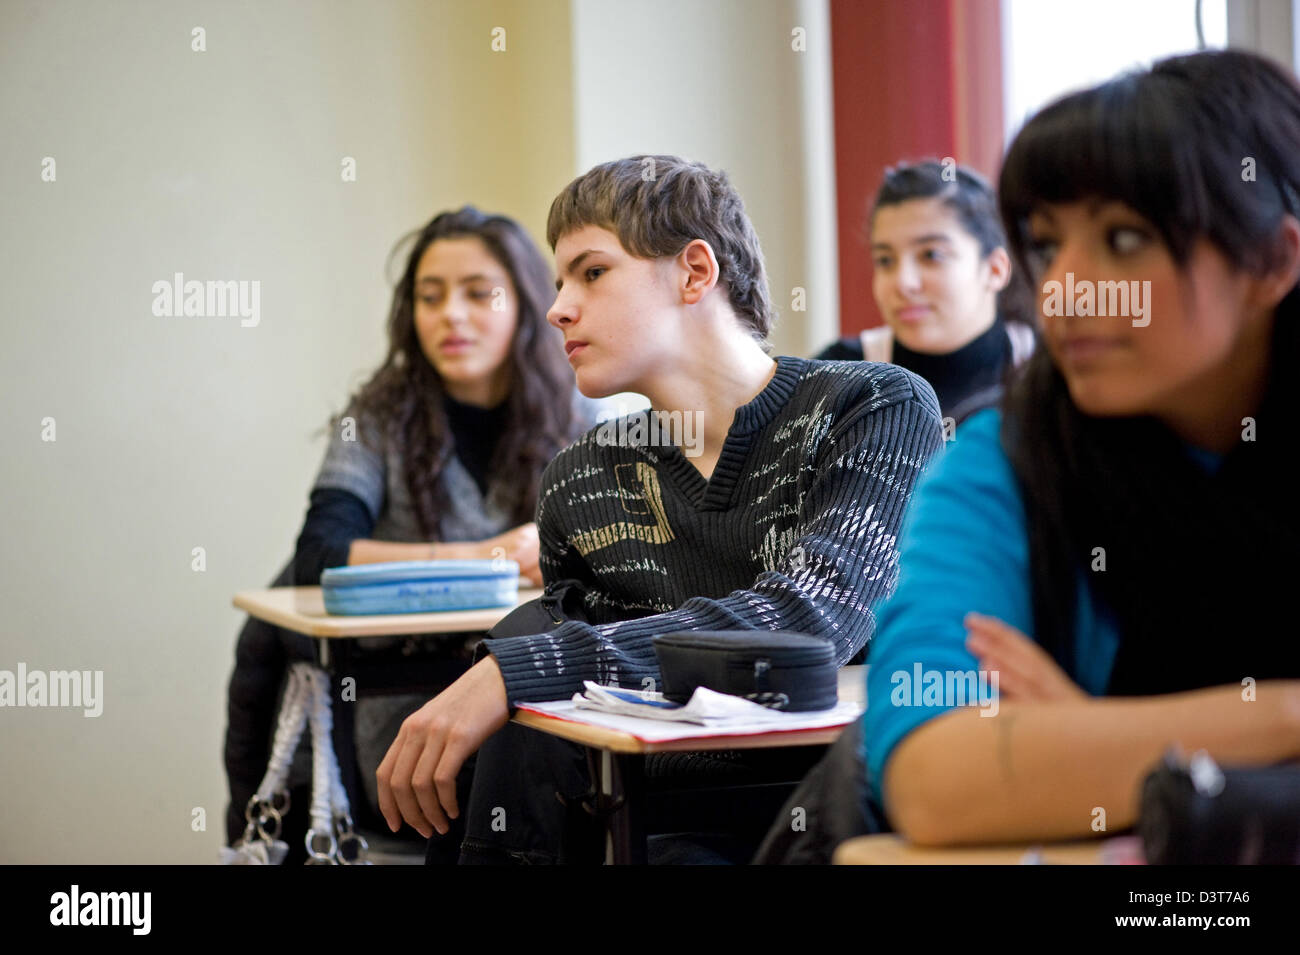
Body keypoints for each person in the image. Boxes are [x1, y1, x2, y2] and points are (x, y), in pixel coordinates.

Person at [376, 155, 946, 864]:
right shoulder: (580, 476)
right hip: (637, 819)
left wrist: (516, 669)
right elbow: (563, 709)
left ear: (695, 272)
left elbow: (811, 617)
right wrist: (525, 663)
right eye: (558, 282)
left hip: (815, 822)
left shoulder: (871, 406)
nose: (557, 308)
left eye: (592, 272)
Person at [860, 49, 1300, 848]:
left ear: (1273, 259)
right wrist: (1284, 714)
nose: (1064, 288)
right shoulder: (1000, 463)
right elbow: (936, 777)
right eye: (1047, 241)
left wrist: (1095, 738)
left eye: (1125, 238)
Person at [223, 206, 597, 859]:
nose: (451, 314)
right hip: (398, 718)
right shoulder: (379, 419)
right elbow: (318, 553)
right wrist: (484, 556)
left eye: (479, 293)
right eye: (430, 296)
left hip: (533, 700)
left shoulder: (582, 411)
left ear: (530, 301)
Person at [816, 160, 1034, 425]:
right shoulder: (836, 374)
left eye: (931, 255)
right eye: (885, 260)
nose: (903, 282)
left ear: (995, 270)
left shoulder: (1049, 367)